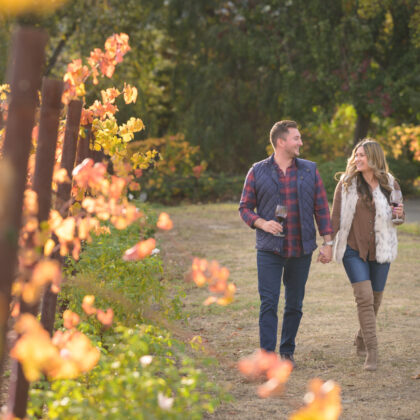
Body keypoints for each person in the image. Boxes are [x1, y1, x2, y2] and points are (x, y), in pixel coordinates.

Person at [239, 120, 333, 368]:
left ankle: (287, 352)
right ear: (281, 142)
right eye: (296, 138)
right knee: (269, 303)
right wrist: (261, 223)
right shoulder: (257, 171)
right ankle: (267, 358)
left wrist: (328, 242)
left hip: (301, 248)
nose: (301, 142)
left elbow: (321, 208)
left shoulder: (309, 170)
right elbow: (245, 208)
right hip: (269, 249)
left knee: (294, 304)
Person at [330, 139, 404, 371]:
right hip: (353, 248)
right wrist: (326, 243)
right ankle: (372, 351)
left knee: (375, 299)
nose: (357, 159)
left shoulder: (390, 183)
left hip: (381, 249)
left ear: (374, 158)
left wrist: (399, 215)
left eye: (362, 155)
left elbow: (398, 218)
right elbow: (335, 217)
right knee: (364, 297)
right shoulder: (347, 183)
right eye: (356, 155)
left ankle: (361, 338)